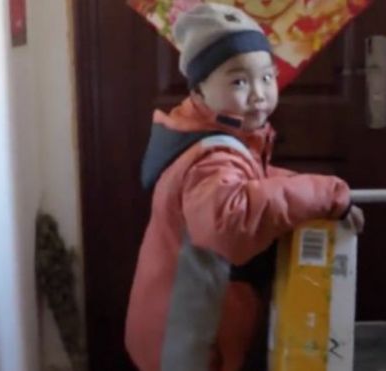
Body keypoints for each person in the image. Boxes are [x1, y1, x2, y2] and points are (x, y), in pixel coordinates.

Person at [125, 3, 364, 370]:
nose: (258, 93)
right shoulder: (211, 157)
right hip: (187, 341)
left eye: (267, 78)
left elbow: (253, 181)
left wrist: (313, 192)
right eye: (239, 81)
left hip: (177, 324)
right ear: (200, 90)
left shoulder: (209, 133)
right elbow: (233, 220)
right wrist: (327, 194)